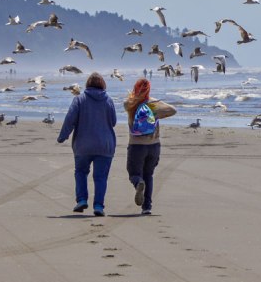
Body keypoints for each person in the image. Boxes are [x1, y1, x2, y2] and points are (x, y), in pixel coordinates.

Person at [57, 72, 117, 216]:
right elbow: (113, 121)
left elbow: (69, 119)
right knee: (101, 177)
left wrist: (62, 136)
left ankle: (82, 199)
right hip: (105, 145)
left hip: (83, 145)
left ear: (87, 85)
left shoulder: (79, 99)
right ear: (102, 84)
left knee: (81, 172)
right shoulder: (108, 100)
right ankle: (98, 206)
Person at [124, 78, 176, 215]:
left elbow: (127, 103)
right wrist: (155, 106)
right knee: (149, 175)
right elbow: (173, 110)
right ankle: (147, 207)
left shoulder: (129, 103)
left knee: (134, 174)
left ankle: (138, 183)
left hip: (136, 145)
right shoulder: (154, 104)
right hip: (154, 145)